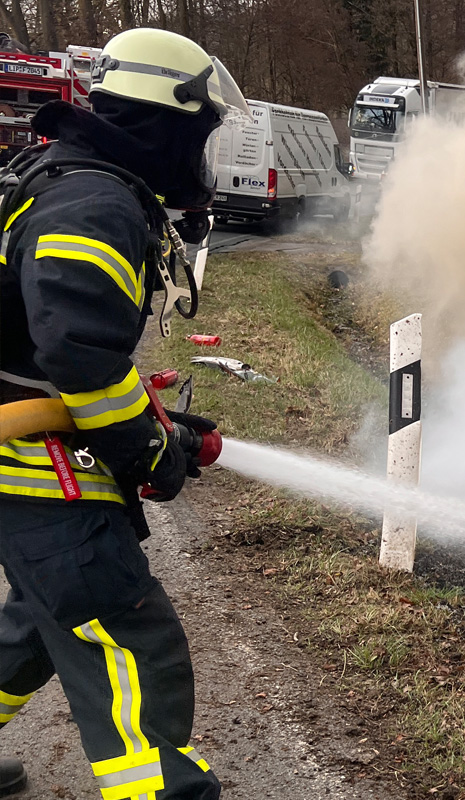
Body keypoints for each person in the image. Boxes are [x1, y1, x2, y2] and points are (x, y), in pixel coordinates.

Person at [0, 28, 248, 798]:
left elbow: (64, 359)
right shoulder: (95, 202)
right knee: (125, 630)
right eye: (202, 133)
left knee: (44, 620)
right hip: (29, 465)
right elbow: (77, 357)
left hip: (23, 438)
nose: (204, 155)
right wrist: (146, 453)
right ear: (167, 121)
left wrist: (156, 428)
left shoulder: (80, 180)